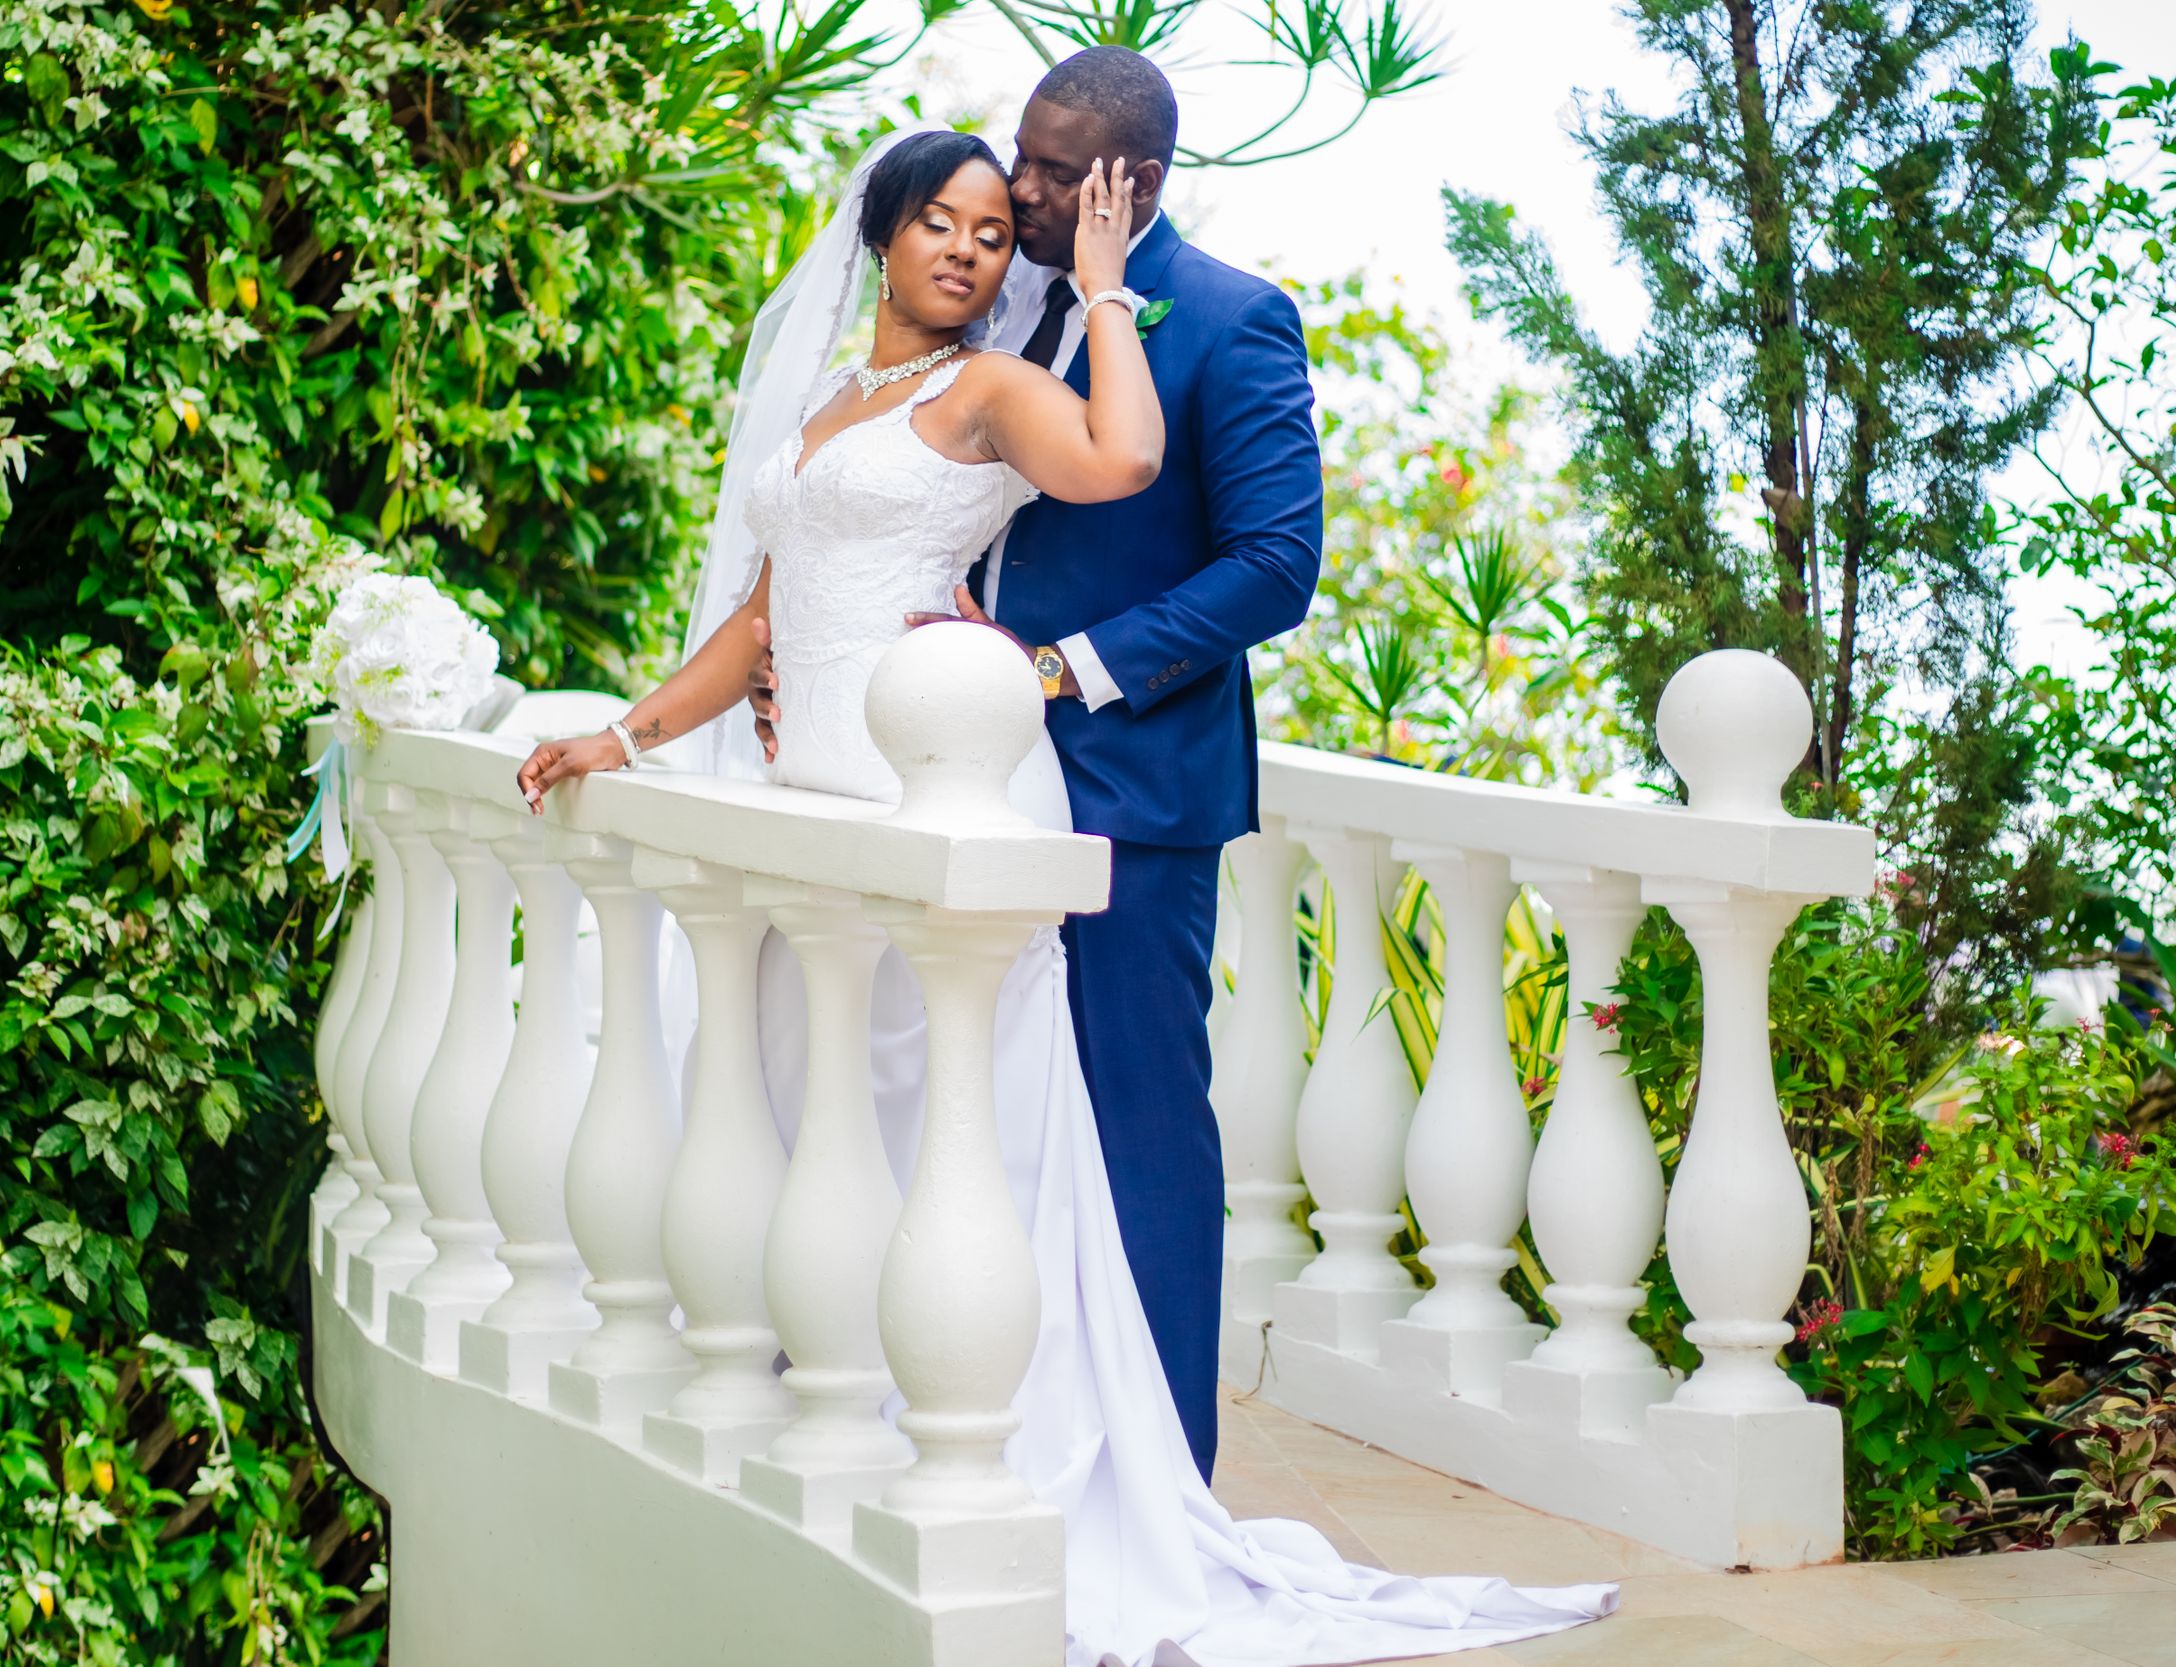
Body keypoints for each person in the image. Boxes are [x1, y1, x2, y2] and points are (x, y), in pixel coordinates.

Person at [515, 102, 1615, 1667]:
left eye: (1033, 178)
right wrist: (649, 726)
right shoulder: (977, 320)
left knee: (1120, 1133)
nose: (1006, 205)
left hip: (1122, 782)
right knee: (882, 1107)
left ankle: (1144, 1482)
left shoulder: (1223, 318)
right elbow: (808, 582)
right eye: (982, 187)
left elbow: (1270, 563)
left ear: (1128, 178)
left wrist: (1051, 666)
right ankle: (864, 1410)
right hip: (894, 778)